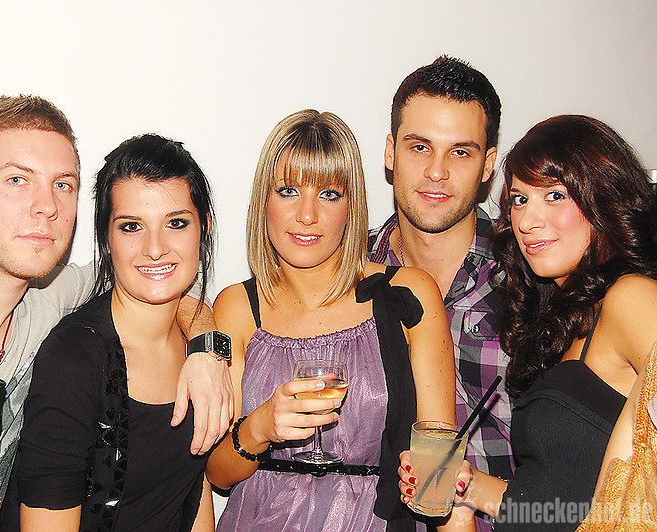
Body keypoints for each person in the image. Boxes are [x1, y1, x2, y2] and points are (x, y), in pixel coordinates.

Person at [0, 96, 232, 532]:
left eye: (63, 185)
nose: (47, 206)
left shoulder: (56, 295)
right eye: (18, 180)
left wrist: (208, 349)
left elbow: (162, 278)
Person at [399, 115, 657, 530]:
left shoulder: (631, 297)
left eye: (554, 195)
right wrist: (469, 486)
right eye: (519, 200)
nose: (527, 221)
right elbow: (560, 506)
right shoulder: (562, 317)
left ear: (604, 197)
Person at [207, 109, 456, 531]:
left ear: (351, 206)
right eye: (288, 190)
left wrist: (434, 479)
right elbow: (218, 473)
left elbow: (438, 466)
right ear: (264, 201)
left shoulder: (408, 294)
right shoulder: (236, 307)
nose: (307, 215)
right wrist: (260, 427)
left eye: (328, 194)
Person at [0, 134, 218, 531]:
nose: (155, 248)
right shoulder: (74, 359)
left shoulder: (200, 350)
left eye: (176, 223)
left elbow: (190, 487)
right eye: (132, 226)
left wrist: (208, 347)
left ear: (202, 230)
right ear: (107, 239)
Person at [368, 56, 509, 530]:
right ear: (391, 152)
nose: (436, 171)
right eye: (420, 147)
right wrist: (206, 346)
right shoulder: (350, 273)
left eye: (461, 152)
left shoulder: (530, 275)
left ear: (488, 164)